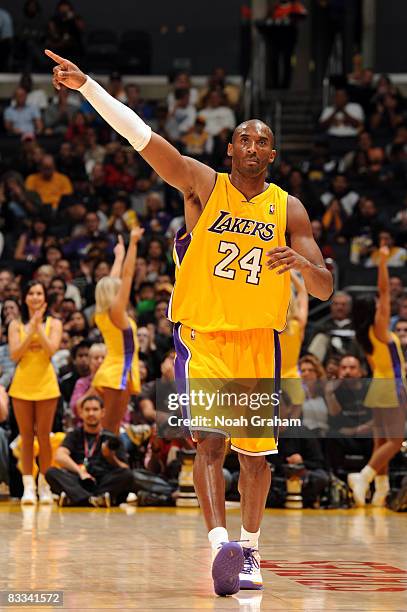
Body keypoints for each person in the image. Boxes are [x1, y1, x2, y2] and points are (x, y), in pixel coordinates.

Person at [45, 48, 332, 596]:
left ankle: (249, 549)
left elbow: (324, 286)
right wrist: (87, 88)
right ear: (231, 149)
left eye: (263, 141)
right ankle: (220, 545)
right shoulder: (203, 184)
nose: (253, 146)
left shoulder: (290, 210)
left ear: (273, 153)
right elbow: (143, 138)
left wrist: (303, 266)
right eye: (244, 139)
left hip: (256, 343)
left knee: (256, 459)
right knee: (209, 444)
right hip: (202, 338)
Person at [348, 246, 407, 507]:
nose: (379, 303)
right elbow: (385, 291)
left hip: (377, 386)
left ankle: (380, 492)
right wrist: (383, 262)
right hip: (391, 386)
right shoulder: (380, 327)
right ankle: (363, 476)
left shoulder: (365, 333)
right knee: (395, 441)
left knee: (381, 441)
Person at [8, 280, 62, 504]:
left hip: (47, 385)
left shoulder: (54, 323)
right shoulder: (15, 325)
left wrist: (39, 326)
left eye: (39, 293)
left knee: (45, 438)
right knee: (27, 437)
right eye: (31, 293)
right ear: (25, 298)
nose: (35, 297)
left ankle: (45, 485)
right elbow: (15, 354)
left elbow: (51, 350)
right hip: (21, 385)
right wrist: (31, 327)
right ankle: (28, 485)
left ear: (45, 298)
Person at [92, 232, 143, 434]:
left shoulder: (104, 312)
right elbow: (128, 275)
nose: (122, 288)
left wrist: (119, 256)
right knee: (110, 428)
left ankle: (105, 462)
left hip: (115, 370)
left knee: (111, 427)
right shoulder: (116, 313)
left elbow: (113, 280)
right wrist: (133, 244)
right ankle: (100, 464)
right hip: (117, 374)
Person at [46, 395, 134, 507]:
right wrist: (79, 471)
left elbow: (125, 468)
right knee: (51, 472)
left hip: (103, 480)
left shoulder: (112, 438)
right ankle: (94, 499)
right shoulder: (74, 435)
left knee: (127, 475)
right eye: (87, 410)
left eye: (95, 409)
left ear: (102, 412)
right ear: (81, 413)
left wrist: (111, 457)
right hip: (79, 479)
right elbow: (60, 456)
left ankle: (78, 498)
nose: (91, 413)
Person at [280, 272, 308, 417]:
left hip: (270, 378)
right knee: (294, 427)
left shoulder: (269, 328)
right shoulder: (298, 325)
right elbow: (303, 292)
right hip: (292, 378)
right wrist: (290, 272)